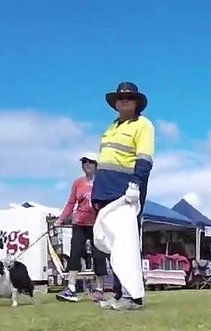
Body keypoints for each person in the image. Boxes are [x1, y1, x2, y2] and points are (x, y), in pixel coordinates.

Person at [92, 82, 155, 311]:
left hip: (125, 191)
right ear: (115, 103)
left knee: (126, 244)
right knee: (111, 245)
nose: (124, 100)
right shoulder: (110, 128)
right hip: (105, 191)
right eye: (121, 98)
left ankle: (133, 296)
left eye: (129, 98)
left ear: (137, 102)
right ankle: (119, 294)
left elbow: (145, 158)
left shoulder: (143, 125)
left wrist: (136, 185)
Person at [55, 154, 102, 302]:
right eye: (83, 162)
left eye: (89, 162)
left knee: (99, 255)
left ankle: (99, 289)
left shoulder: (101, 183)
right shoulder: (77, 183)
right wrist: (61, 219)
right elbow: (71, 203)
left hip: (96, 225)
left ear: (96, 165)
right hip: (79, 224)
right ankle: (71, 288)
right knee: (74, 254)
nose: (86, 165)